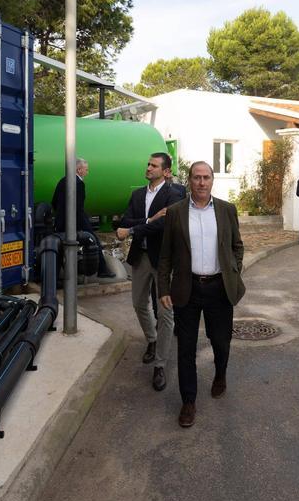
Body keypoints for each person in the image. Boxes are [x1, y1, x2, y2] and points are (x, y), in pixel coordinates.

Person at [159, 161, 245, 428]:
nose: (201, 182)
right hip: (188, 288)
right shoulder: (174, 212)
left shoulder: (226, 210)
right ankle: (188, 401)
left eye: (206, 177)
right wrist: (163, 288)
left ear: (212, 180)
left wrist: (232, 272)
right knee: (186, 348)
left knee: (221, 342)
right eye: (196, 177)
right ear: (189, 180)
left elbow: (237, 246)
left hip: (219, 288)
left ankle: (220, 373)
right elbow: (165, 256)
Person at [117, 152, 185, 391]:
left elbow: (165, 223)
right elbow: (124, 222)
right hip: (141, 257)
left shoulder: (175, 193)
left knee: (166, 314)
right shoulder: (137, 194)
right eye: (147, 164)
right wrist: (148, 219)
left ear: (166, 172)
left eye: (153, 165)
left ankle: (160, 365)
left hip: (165, 260)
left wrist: (136, 227)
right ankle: (152, 340)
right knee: (138, 303)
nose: (148, 168)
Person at [52, 158, 114, 279]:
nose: (87, 172)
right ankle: (102, 270)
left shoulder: (62, 181)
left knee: (59, 247)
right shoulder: (79, 183)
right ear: (79, 170)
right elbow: (78, 207)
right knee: (94, 241)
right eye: (86, 169)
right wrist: (84, 225)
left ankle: (54, 278)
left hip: (60, 222)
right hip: (76, 221)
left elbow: (54, 202)